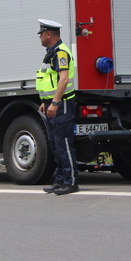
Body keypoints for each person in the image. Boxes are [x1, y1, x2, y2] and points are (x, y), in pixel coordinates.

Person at [36, 19, 79, 195]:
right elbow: (50, 80)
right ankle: (60, 180)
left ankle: (71, 182)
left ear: (48, 34)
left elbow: (64, 79)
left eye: (41, 34)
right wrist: (45, 101)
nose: (39, 37)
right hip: (52, 104)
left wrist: (54, 102)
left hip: (62, 104)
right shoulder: (51, 52)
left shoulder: (60, 53)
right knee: (55, 143)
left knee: (64, 143)